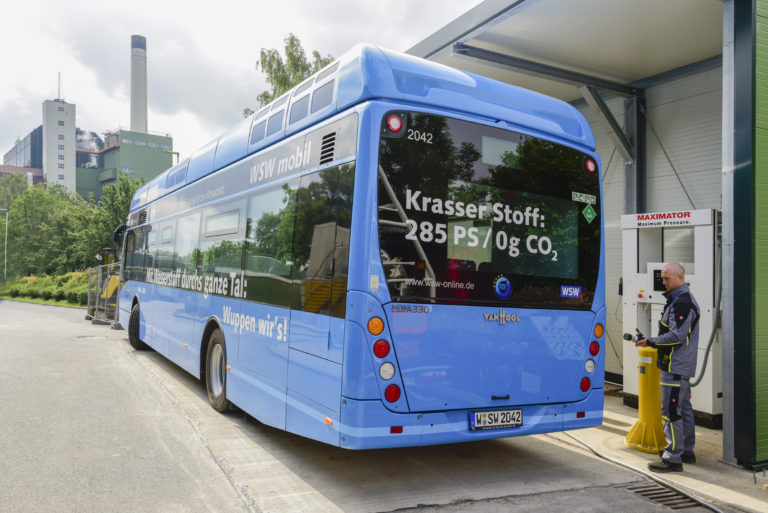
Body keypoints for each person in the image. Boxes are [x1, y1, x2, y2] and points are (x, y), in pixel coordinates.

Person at [635, 262, 700, 472]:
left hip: (675, 366)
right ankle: (686, 451)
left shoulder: (682, 302)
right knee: (684, 409)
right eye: (662, 278)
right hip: (680, 365)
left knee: (671, 411)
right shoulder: (679, 300)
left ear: (680, 277)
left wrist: (650, 342)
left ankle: (673, 457)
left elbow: (677, 335)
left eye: (667, 278)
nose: (663, 282)